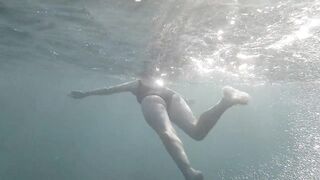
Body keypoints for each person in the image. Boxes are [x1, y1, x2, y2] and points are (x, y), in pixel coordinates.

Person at [69, 68, 250, 180]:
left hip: (151, 99)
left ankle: (188, 172)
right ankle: (225, 102)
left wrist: (85, 93)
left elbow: (109, 90)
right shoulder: (162, 81)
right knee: (197, 132)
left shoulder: (136, 83)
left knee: (166, 131)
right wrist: (187, 100)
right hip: (174, 96)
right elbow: (165, 90)